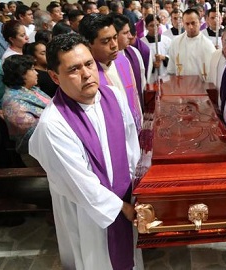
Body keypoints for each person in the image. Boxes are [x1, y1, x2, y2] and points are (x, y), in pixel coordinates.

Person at [29, 33, 142, 270]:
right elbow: (80, 184)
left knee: (130, 258)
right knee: (96, 261)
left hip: (126, 200)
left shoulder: (114, 96)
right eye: (74, 69)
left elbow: (132, 148)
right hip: (88, 214)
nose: (86, 74)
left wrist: (137, 191)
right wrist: (122, 207)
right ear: (54, 77)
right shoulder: (54, 124)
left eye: (89, 64)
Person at [79, 14, 143, 135]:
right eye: (106, 41)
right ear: (88, 44)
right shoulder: (86, 76)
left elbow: (134, 97)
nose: (114, 45)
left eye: (115, 37)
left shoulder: (122, 60)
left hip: (132, 130)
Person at [1, 55, 50, 166]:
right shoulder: (12, 101)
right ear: (21, 73)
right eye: (32, 69)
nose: (37, 73)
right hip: (37, 154)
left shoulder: (32, 89)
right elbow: (34, 132)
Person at [167, 9, 215, 76]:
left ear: (200, 23)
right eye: (187, 24)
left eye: (193, 23)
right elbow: (171, 70)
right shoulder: (176, 42)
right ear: (183, 23)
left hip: (201, 85)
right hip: (181, 84)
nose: (190, 27)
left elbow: (213, 72)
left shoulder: (208, 45)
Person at [141, 14, 172, 84]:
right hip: (150, 78)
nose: (155, 28)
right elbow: (141, 62)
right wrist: (152, 64)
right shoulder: (142, 43)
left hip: (165, 76)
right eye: (152, 25)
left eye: (157, 25)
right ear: (146, 27)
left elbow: (173, 57)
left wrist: (164, 58)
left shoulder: (167, 40)